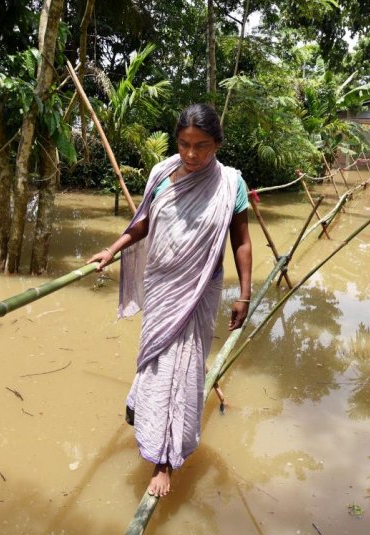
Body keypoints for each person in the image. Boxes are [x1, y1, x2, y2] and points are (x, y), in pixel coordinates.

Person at [87, 103, 252, 497]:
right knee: (154, 358)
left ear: (217, 143)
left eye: (202, 145)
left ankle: (165, 459)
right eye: (184, 144)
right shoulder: (162, 173)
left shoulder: (231, 184)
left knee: (183, 368)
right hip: (161, 285)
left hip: (197, 290)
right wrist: (112, 249)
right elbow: (142, 224)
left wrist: (244, 295)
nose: (192, 154)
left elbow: (242, 241)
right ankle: (143, 413)